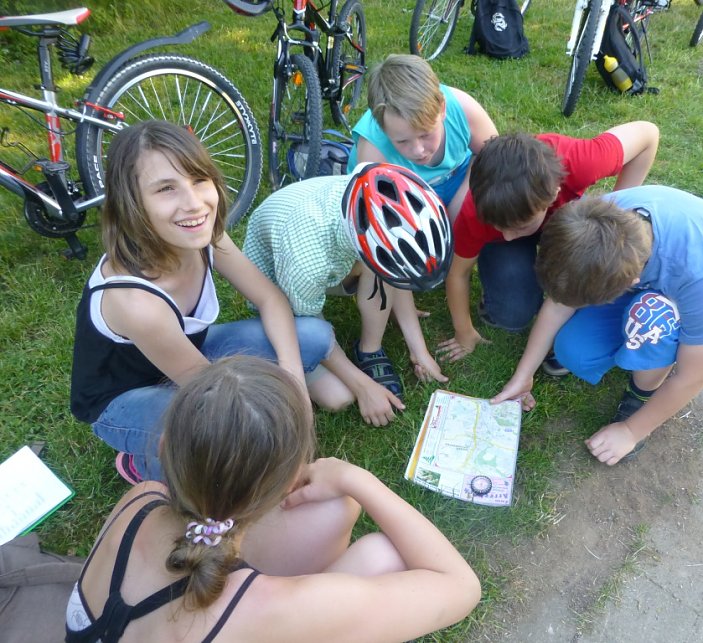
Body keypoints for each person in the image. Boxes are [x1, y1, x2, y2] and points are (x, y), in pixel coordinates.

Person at [65, 356, 482, 642]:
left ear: (162, 449)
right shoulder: (267, 610)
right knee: (383, 557)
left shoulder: (140, 501)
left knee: (349, 526)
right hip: (242, 614)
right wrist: (359, 480)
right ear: (288, 485)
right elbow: (462, 588)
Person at [69, 121, 333, 484]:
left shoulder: (205, 235)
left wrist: (294, 382)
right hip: (123, 399)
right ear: (131, 202)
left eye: (198, 180)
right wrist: (288, 445)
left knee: (314, 335)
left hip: (190, 361)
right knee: (218, 438)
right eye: (166, 189)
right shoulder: (136, 302)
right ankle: (143, 462)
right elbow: (215, 396)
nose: (193, 204)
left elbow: (270, 298)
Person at [491, 185, 703, 465]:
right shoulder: (591, 226)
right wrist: (523, 375)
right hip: (651, 281)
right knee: (573, 350)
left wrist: (631, 430)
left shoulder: (702, 277)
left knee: (649, 317)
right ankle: (637, 350)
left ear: (629, 284)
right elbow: (559, 304)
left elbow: (693, 375)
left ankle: (641, 394)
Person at [243, 162, 452, 427]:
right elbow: (313, 331)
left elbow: (393, 271)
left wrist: (419, 350)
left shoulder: (373, 192)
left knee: (381, 272)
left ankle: (370, 349)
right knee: (338, 396)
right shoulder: (307, 261)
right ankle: (359, 364)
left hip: (330, 255)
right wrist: (363, 386)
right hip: (278, 285)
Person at [436, 123, 660, 370]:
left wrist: (616, 211)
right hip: (516, 229)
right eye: (501, 227)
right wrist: (464, 331)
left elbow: (648, 134)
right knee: (512, 316)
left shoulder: (582, 162)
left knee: (589, 277)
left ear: (554, 193)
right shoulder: (477, 213)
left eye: (519, 227)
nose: (508, 236)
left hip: (571, 221)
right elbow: (458, 273)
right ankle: (500, 291)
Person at [347, 54, 497, 221]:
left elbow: (495, 158)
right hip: (401, 193)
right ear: (382, 128)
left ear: (442, 109)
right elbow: (380, 216)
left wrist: (459, 206)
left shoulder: (464, 110)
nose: (418, 150)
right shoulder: (372, 152)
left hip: (458, 178)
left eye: (426, 134)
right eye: (402, 141)